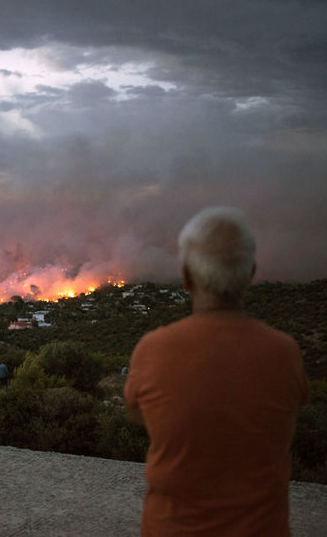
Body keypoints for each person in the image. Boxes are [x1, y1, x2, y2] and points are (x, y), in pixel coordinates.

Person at [123, 207, 309, 536]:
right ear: (251, 272)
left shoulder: (153, 350)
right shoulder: (284, 352)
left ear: (186, 277)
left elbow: (140, 416)